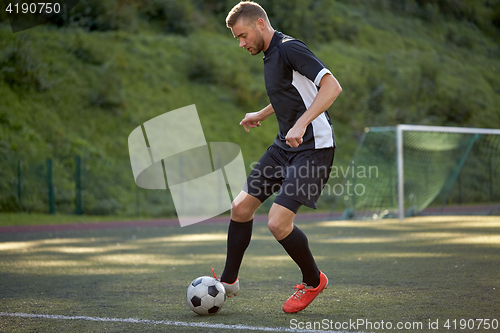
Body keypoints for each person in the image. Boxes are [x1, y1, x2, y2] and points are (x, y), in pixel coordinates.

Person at [212, 1, 342, 314]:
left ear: (259, 24)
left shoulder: (288, 48)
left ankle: (314, 281)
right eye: (237, 39)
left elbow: (331, 87)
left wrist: (301, 123)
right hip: (284, 147)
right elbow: (293, 91)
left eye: (242, 36)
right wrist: (263, 112)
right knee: (241, 207)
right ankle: (229, 282)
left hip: (314, 148)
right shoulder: (271, 55)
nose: (241, 43)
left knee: (278, 223)